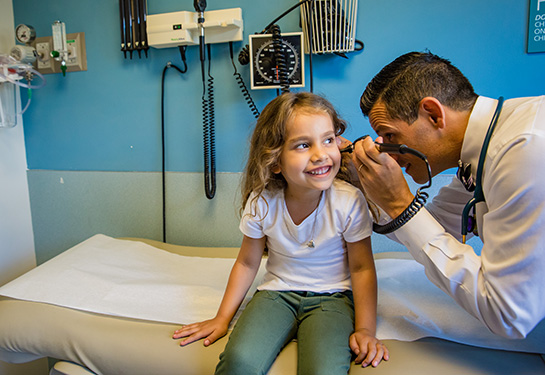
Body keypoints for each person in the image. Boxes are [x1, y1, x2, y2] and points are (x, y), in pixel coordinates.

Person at [172, 92, 388, 374]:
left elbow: (361, 268)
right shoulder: (263, 201)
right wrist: (222, 318)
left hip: (332, 297)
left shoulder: (348, 202)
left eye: (328, 139)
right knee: (239, 363)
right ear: (274, 160)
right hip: (277, 294)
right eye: (302, 145)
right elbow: (247, 263)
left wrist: (365, 329)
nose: (321, 154)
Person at [352, 51, 545, 339]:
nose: (384, 149)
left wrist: (400, 203)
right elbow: (437, 225)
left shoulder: (525, 151)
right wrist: (367, 186)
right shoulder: (480, 151)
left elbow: (510, 314)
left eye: (389, 135)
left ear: (433, 113)